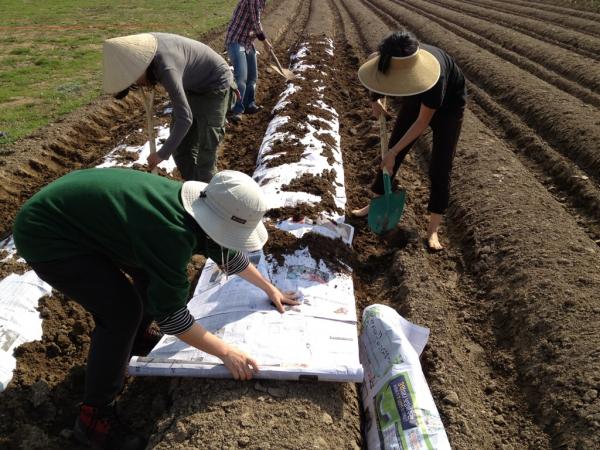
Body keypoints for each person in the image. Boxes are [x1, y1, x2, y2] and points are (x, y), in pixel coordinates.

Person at [13, 168, 298, 449]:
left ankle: (134, 341)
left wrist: (268, 288)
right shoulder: (171, 233)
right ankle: (93, 420)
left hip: (86, 218)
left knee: (149, 280)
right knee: (120, 313)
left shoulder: (202, 208)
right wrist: (225, 352)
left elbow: (225, 252)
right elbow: (172, 316)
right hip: (47, 232)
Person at [352, 31, 467, 251]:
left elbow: (422, 122)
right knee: (393, 149)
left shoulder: (434, 78)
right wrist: (374, 100)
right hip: (416, 95)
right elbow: (378, 71)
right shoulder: (393, 58)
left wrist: (393, 152)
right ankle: (375, 202)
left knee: (440, 167)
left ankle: (433, 230)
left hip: (449, 108)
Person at [103, 33, 238, 182]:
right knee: (181, 150)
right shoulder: (143, 53)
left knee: (206, 152)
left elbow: (185, 118)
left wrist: (161, 154)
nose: (138, 84)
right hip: (192, 84)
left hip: (215, 83)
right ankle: (195, 188)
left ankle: (210, 195)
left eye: (135, 78)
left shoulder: (166, 68)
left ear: (142, 65)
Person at [225, 0, 272, 123]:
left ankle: (248, 104)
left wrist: (254, 35)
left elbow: (253, 25)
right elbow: (256, 22)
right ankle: (237, 109)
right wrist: (265, 42)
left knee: (252, 76)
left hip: (247, 43)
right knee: (241, 77)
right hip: (236, 41)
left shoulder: (262, 2)